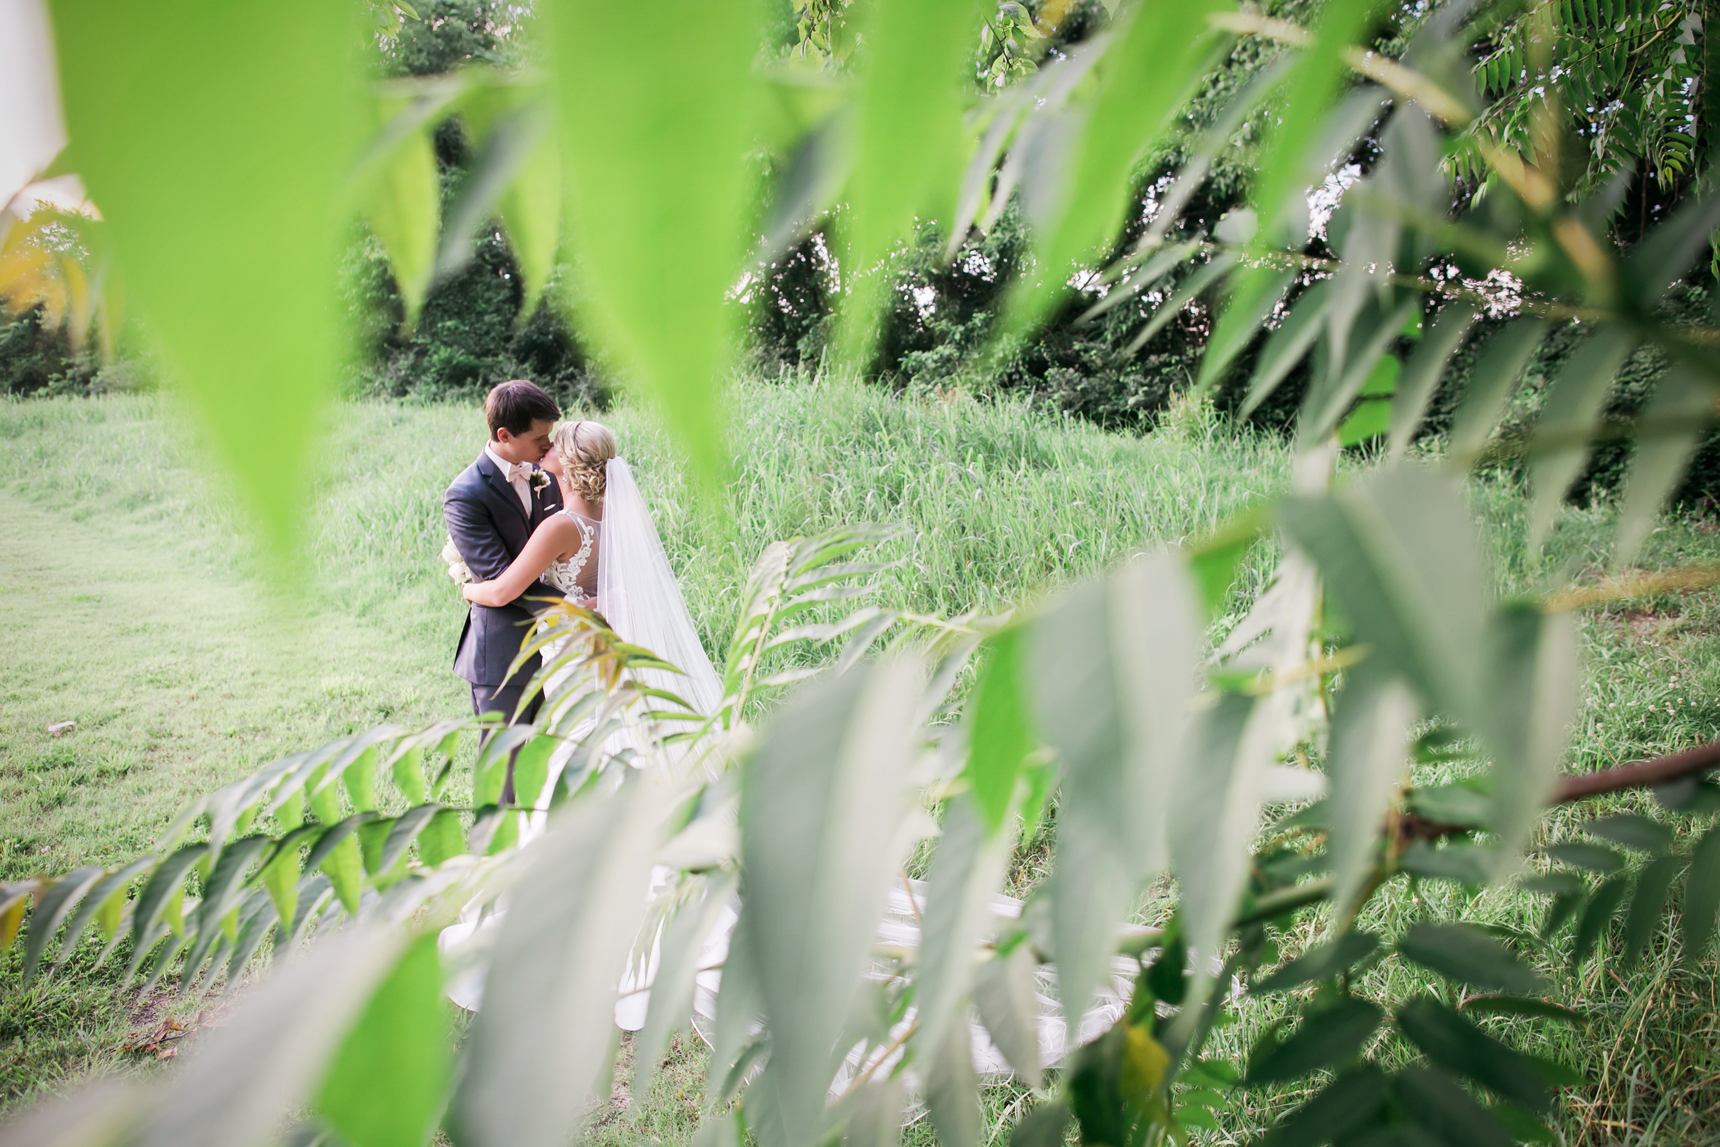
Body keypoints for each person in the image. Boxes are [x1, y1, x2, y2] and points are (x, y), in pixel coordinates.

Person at [443, 381, 565, 792]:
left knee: (547, 766)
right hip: (504, 655)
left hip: (559, 651)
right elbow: (501, 578)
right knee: (505, 774)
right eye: (539, 437)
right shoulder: (465, 495)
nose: (548, 446)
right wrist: (577, 609)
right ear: (504, 435)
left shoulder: (544, 474)